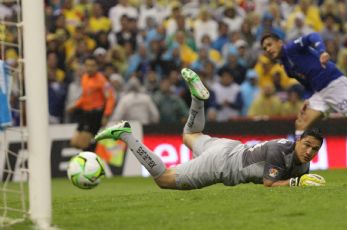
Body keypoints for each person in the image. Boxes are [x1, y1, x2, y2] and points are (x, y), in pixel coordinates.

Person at [94, 68, 325, 189]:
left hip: (229, 147)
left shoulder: (302, 157)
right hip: (222, 165)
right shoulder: (280, 152)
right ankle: (125, 134)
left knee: (189, 135)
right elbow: (270, 184)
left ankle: (198, 99)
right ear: (298, 141)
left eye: (314, 149)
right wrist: (298, 183)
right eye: (307, 145)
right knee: (164, 180)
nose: (309, 152)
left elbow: (296, 175)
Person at [67, 56, 115, 151]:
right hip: (85, 114)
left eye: (92, 66)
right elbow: (85, 97)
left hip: (95, 115)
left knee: (83, 144)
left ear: (97, 66)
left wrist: (106, 115)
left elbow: (110, 98)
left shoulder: (102, 81)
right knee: (74, 142)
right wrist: (75, 105)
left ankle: (90, 158)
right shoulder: (84, 78)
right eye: (88, 65)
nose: (90, 68)